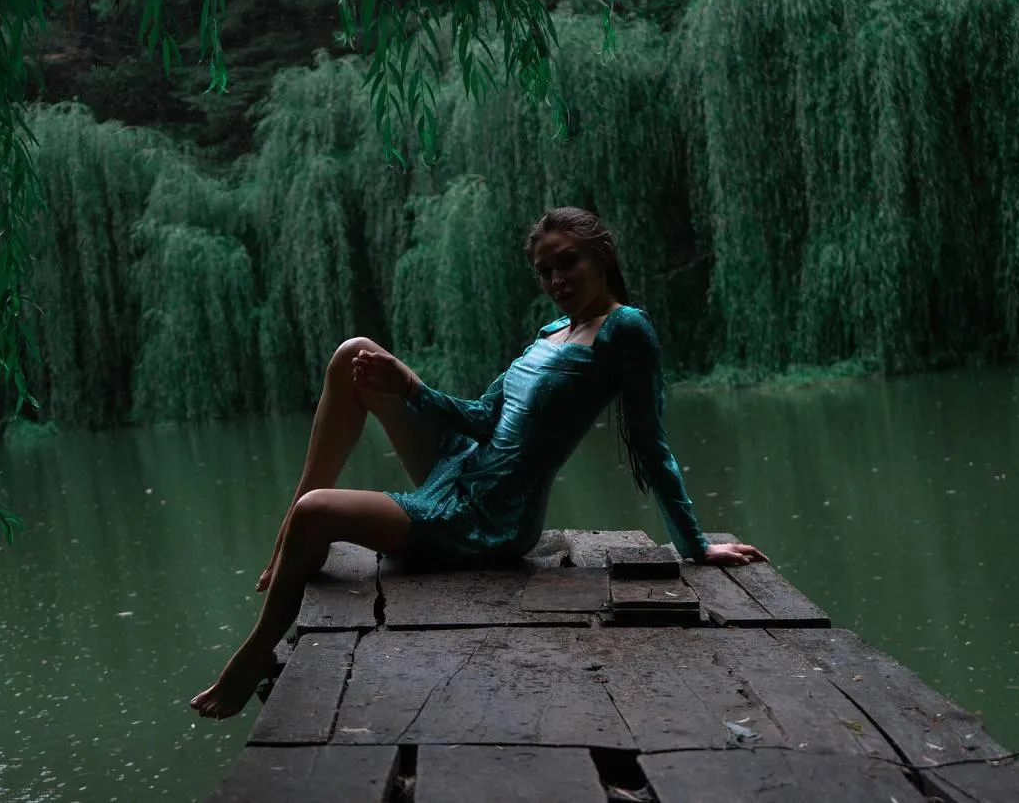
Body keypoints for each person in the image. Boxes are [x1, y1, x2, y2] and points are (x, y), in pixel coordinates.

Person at [190, 206, 768, 720]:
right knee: (353, 355)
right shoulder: (550, 334)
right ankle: (282, 540)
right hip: (458, 467)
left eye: (568, 263)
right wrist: (408, 387)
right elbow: (480, 418)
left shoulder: (627, 330)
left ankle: (260, 647)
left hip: (487, 518)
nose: (557, 280)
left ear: (602, 256)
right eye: (545, 270)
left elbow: (651, 444)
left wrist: (694, 545)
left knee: (318, 513)